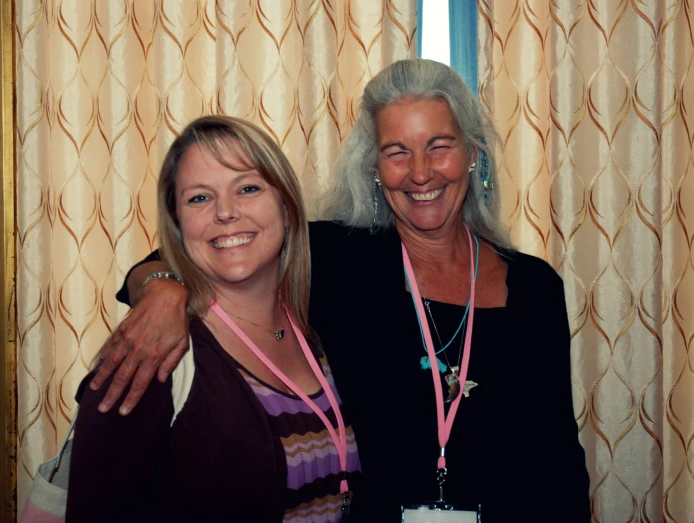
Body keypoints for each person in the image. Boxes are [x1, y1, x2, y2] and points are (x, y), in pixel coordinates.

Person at [95, 59, 590, 520]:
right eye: (397, 152)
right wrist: (162, 292)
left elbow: (560, 462)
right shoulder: (334, 259)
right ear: (374, 168)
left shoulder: (534, 287)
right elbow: (214, 246)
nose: (420, 172)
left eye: (439, 146)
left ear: (473, 154)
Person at [66, 115, 361, 522]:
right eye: (199, 198)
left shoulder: (319, 328)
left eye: (248, 188)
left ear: (287, 205)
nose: (226, 212)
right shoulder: (154, 353)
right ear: (178, 222)